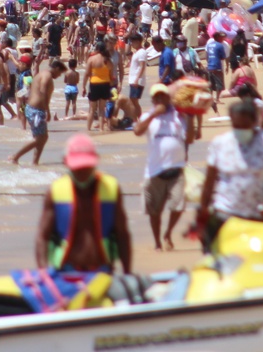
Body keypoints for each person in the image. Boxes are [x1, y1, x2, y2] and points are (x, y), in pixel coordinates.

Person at [196, 97, 263, 248]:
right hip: (224, 214)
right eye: (236, 125)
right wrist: (202, 213)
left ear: (254, 121)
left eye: (244, 125)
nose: (240, 129)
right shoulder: (220, 143)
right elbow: (209, 182)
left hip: (256, 216)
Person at [35, 134, 132, 274]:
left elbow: (122, 234)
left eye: (86, 166)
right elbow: (42, 236)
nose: (82, 172)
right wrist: (43, 271)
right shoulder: (55, 192)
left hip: (102, 270)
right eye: (77, 167)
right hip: (65, 271)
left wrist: (127, 273)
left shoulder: (111, 189)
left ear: (96, 162)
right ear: (65, 162)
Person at [133, 84, 193, 251]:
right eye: (157, 97)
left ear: (168, 98)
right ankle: (158, 242)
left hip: (176, 169)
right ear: (152, 100)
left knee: (178, 206)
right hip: (154, 171)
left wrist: (192, 118)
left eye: (163, 97)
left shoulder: (178, 116)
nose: (160, 100)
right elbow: (137, 131)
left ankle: (168, 232)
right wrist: (154, 115)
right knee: (154, 211)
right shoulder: (148, 116)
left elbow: (190, 138)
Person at [11, 59, 66, 166]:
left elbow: (30, 89)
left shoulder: (40, 74)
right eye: (60, 73)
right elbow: (43, 91)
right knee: (41, 138)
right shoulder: (47, 76)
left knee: (42, 137)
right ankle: (15, 156)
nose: (59, 76)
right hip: (36, 110)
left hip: (32, 109)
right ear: (57, 68)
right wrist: (47, 111)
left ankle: (35, 162)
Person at [85, 42, 114, 133]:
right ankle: (101, 129)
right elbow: (111, 75)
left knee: (92, 109)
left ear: (97, 49)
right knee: (102, 109)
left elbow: (86, 74)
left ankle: (88, 129)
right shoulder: (108, 60)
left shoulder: (92, 59)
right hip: (105, 84)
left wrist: (83, 87)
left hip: (94, 84)